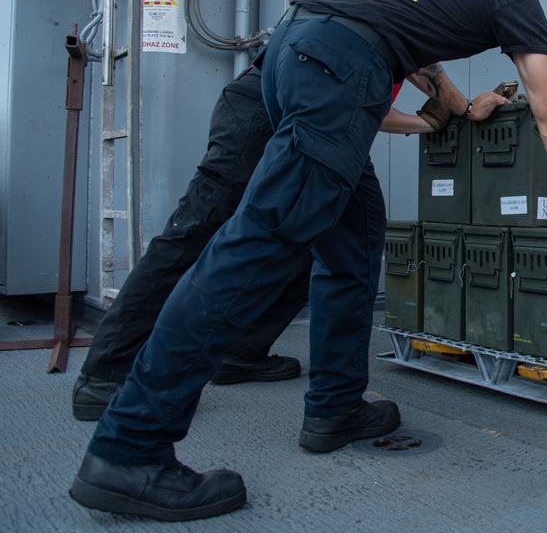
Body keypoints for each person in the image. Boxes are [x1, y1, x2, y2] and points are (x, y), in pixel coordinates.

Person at [70, 0, 547, 521]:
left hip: (294, 50)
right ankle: (130, 447)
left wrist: (455, 106)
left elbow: (406, 39)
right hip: (340, 71)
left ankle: (336, 406)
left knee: (355, 234)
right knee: (251, 249)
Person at [71, 65, 491, 422]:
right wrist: (462, 111)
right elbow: (419, 73)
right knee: (196, 234)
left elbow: (371, 101)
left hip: (324, 120)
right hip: (276, 106)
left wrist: (433, 118)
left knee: (334, 235)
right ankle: (107, 373)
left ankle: (245, 352)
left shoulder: (370, 24)